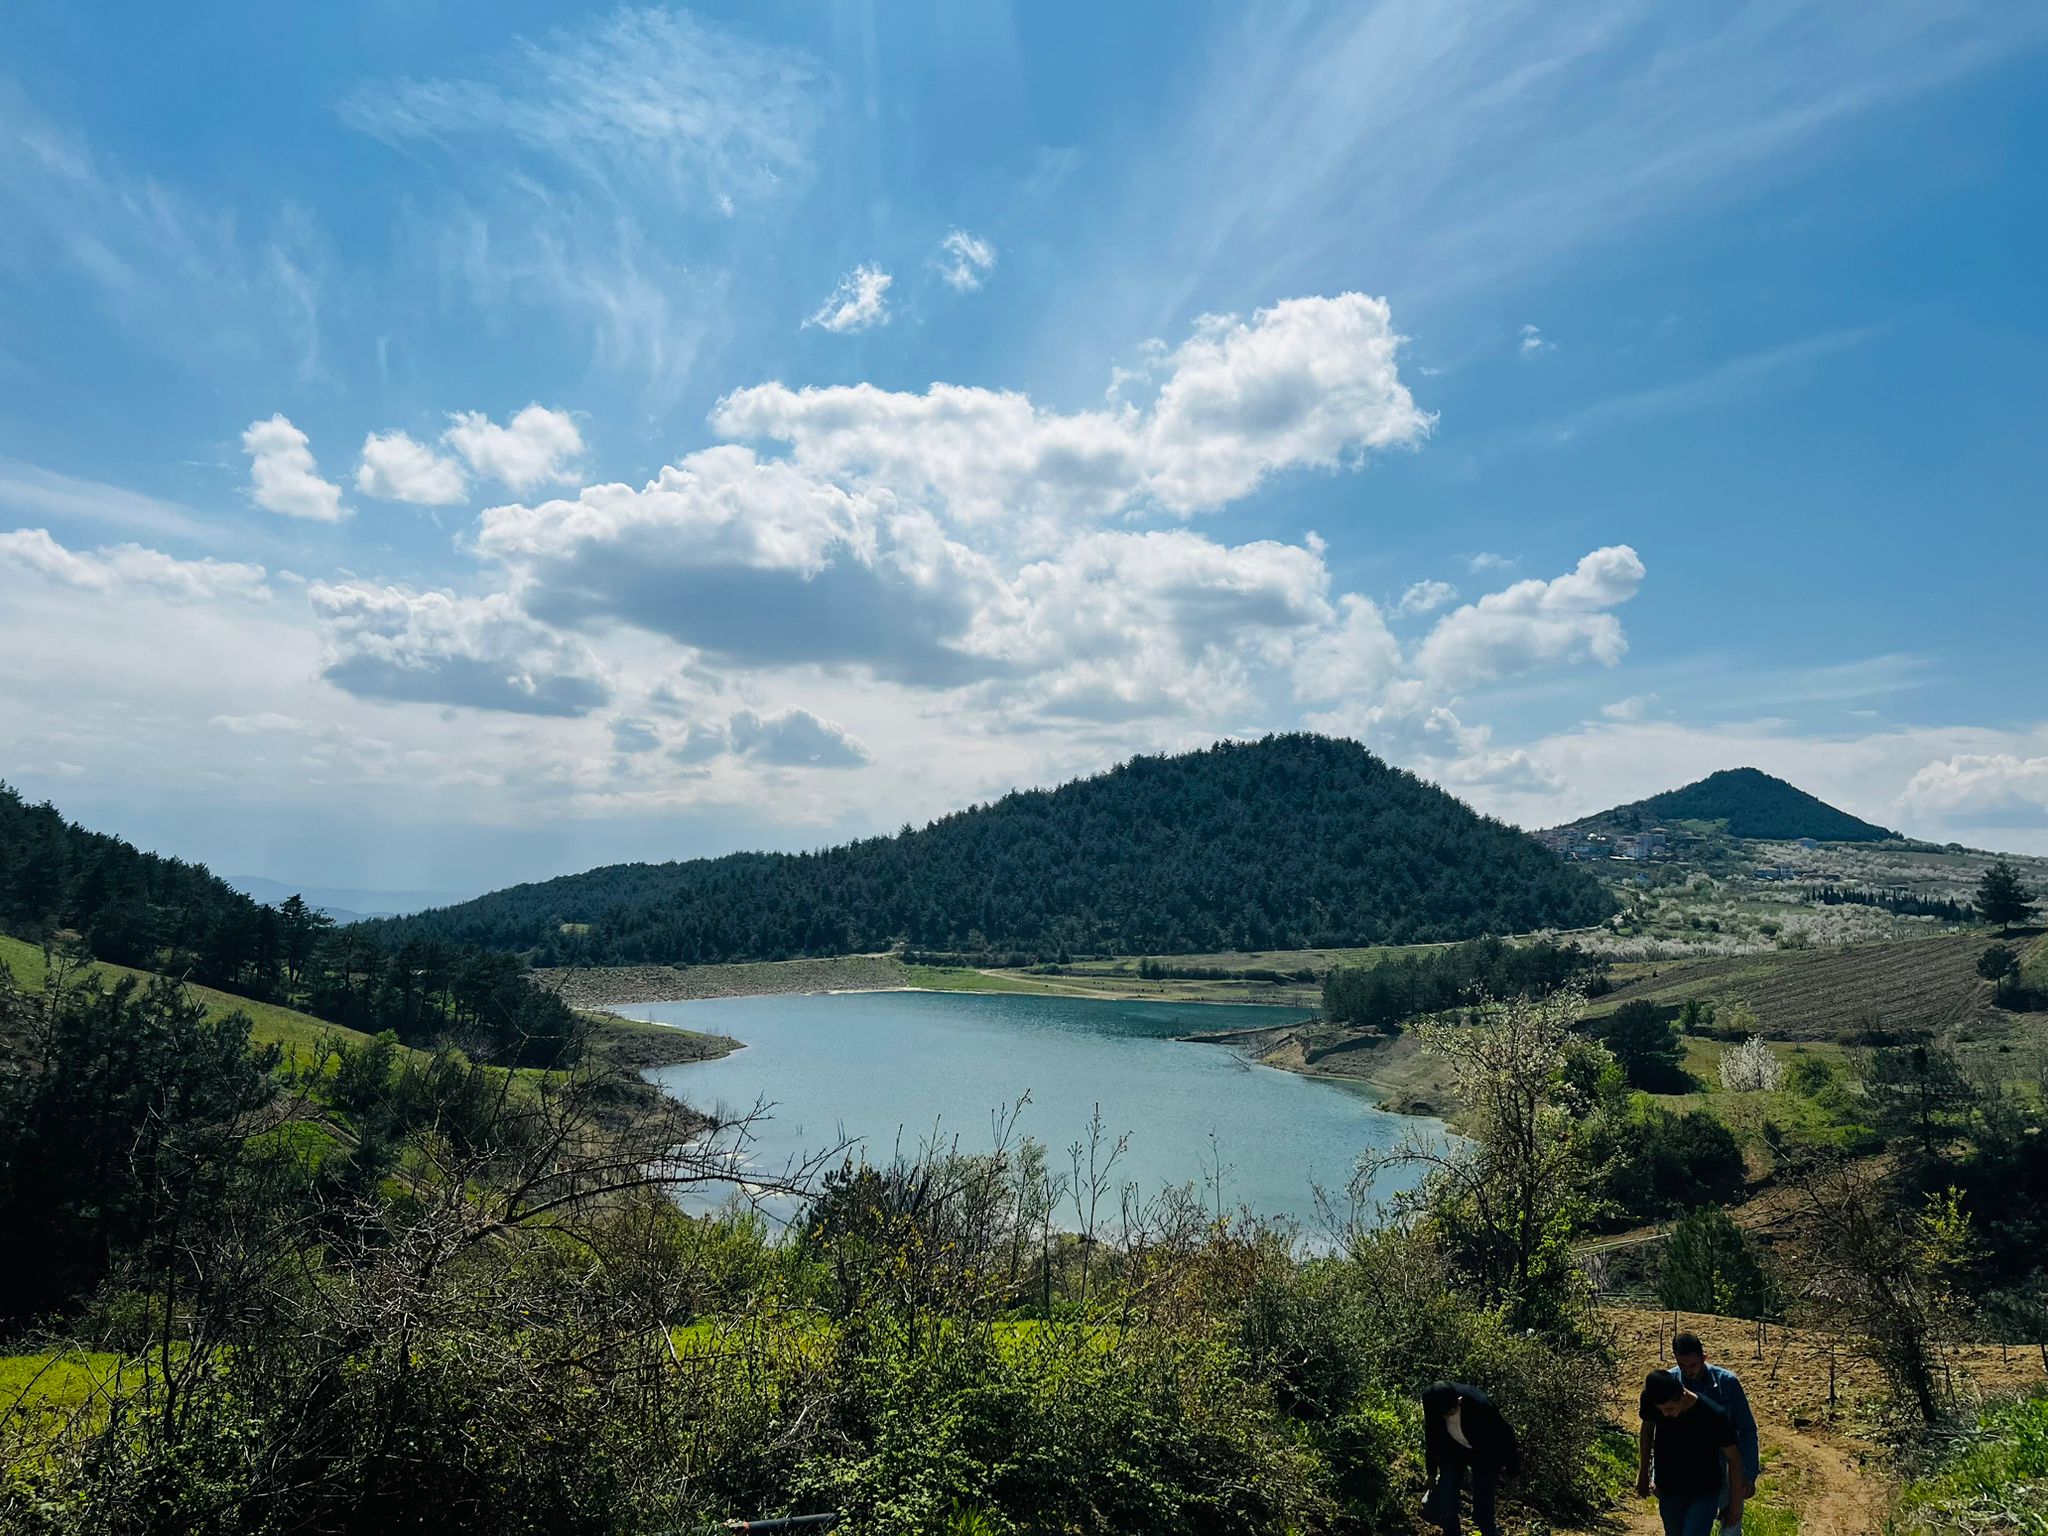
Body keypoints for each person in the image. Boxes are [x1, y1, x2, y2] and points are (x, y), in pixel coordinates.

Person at [1666, 1332, 1761, 1532]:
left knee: (1731, 1523)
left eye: (1693, 1365)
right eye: (1682, 1365)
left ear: (1704, 1358)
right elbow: (1662, 1435)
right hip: (1686, 1466)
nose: (1688, 1371)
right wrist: (1656, 1474)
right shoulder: (1669, 1382)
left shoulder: (1727, 1383)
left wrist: (1748, 1474)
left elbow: (1746, 1429)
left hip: (1726, 1463)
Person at [1637, 1369, 1745, 1536]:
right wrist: (1643, 1472)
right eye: (1661, 1410)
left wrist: (1735, 1506)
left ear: (1683, 1395)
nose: (1666, 1414)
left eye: (1670, 1408)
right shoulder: (1651, 1400)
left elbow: (1734, 1458)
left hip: (1704, 1491)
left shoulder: (1713, 1415)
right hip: (1668, 1488)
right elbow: (1647, 1429)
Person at [1421, 1381, 1520, 1536]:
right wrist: (1431, 1472)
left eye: (1451, 1412)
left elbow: (1506, 1436)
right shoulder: (1431, 1401)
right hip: (1452, 1450)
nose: (1447, 1417)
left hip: (1485, 1452)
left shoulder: (1481, 1406)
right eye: (1443, 1415)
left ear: (1459, 1401)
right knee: (1447, 1504)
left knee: (1483, 1511)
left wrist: (1512, 1471)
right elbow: (1432, 1437)